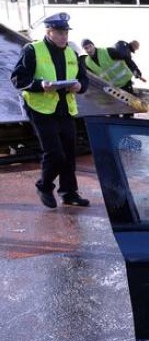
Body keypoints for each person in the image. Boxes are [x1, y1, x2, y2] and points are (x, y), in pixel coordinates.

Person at [10, 12, 90, 208]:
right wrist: (40, 85)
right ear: (49, 32)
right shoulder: (32, 50)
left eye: (66, 32)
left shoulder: (71, 52)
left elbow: (84, 78)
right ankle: (44, 186)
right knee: (55, 153)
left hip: (65, 108)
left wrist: (80, 86)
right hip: (40, 108)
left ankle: (69, 193)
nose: (64, 36)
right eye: (60, 32)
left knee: (69, 153)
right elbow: (18, 79)